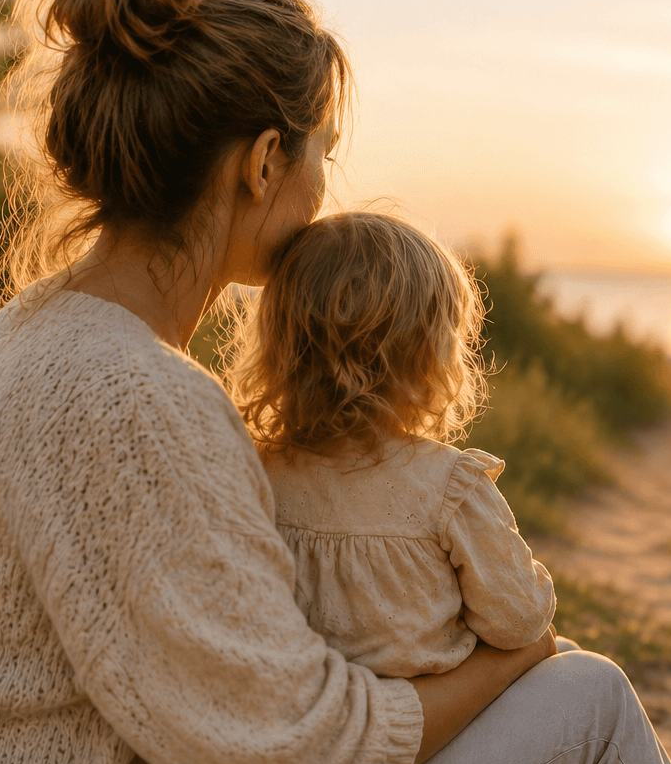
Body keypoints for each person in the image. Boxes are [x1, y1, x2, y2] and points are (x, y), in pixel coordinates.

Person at [0, 0, 671, 764]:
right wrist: (515, 662)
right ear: (265, 161)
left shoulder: (20, 336)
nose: (322, 189)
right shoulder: (135, 395)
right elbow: (301, 760)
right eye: (321, 153)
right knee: (586, 698)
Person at [228, 210, 557, 681]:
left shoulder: (256, 472)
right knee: (593, 676)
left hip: (322, 718)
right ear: (429, 358)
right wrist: (532, 579)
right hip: (437, 725)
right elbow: (519, 621)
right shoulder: (449, 485)